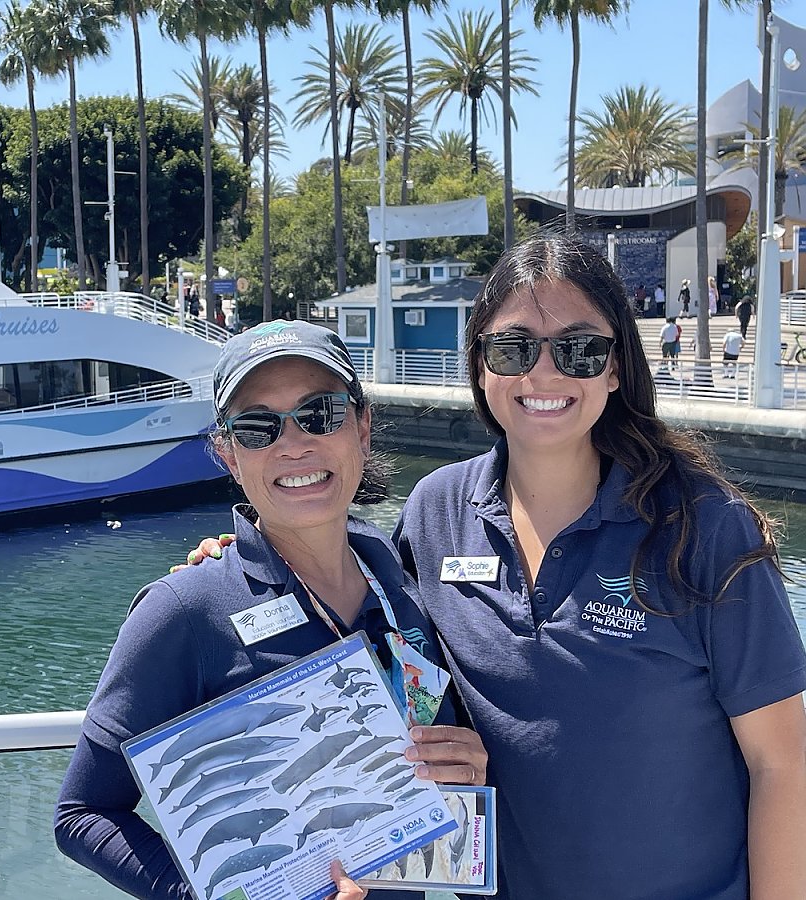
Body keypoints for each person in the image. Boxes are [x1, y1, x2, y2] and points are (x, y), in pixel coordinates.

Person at [185, 236, 806, 899]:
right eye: (513, 349)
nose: (542, 375)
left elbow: (785, 766)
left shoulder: (705, 526)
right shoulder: (434, 512)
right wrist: (237, 566)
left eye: (579, 349)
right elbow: (360, 622)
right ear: (479, 365)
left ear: (617, 367)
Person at [54, 321, 488, 900]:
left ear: (362, 427)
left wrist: (465, 774)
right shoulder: (183, 609)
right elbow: (83, 815)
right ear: (229, 455)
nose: (293, 443)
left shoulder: (399, 578)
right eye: (258, 428)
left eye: (320, 414)